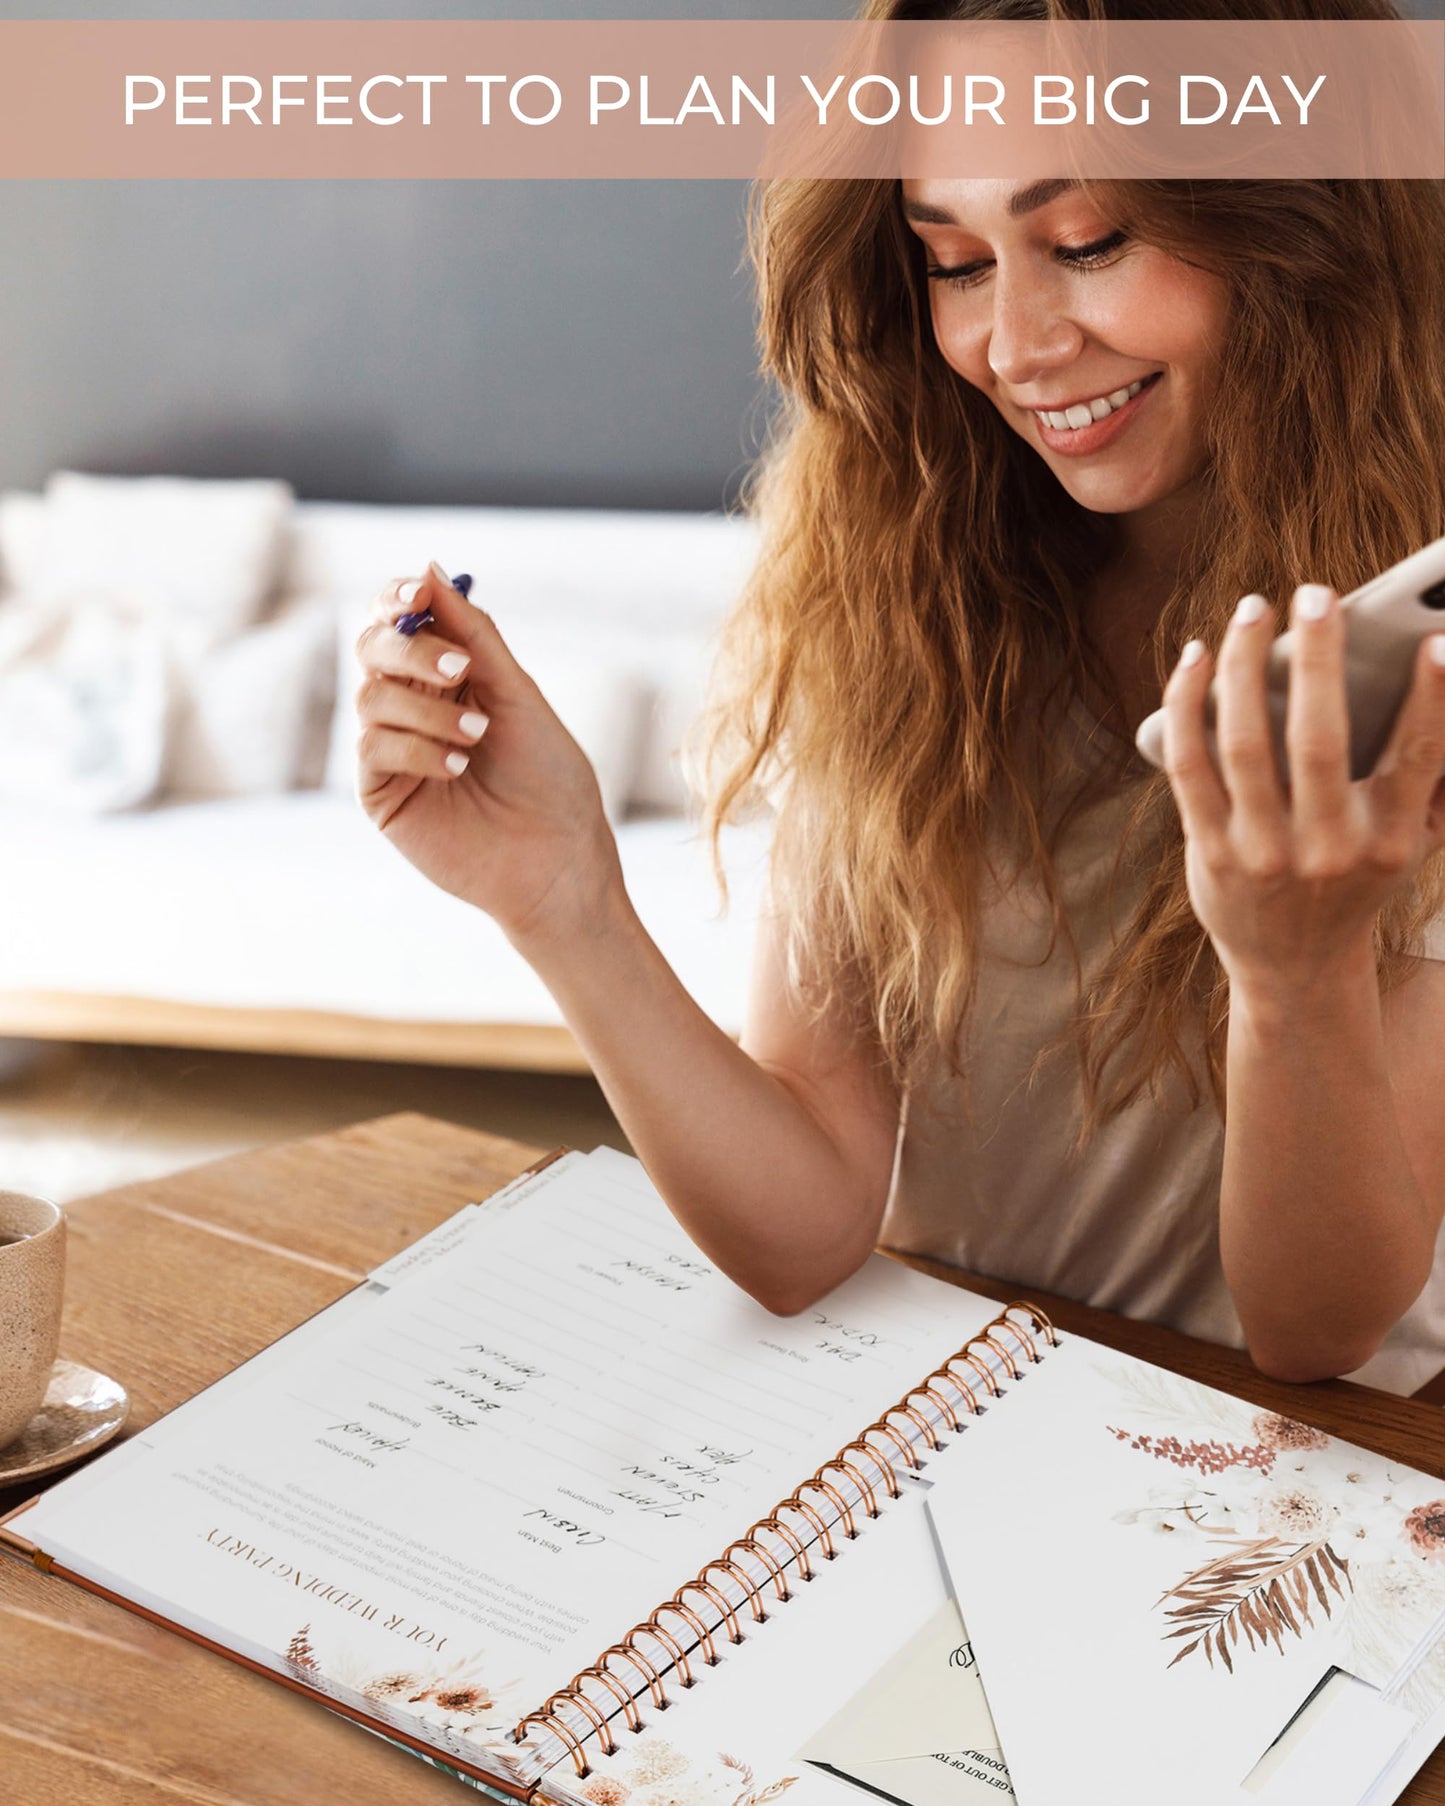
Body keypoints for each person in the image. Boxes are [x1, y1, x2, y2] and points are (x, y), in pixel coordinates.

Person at [352, 0, 1445, 1395]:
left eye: (1088, 241)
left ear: (1305, 222)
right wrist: (565, 905)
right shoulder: (906, 596)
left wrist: (1295, 978)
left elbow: (1314, 1332)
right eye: (954, 262)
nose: (1015, 346)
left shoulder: (1408, 657)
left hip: (1286, 1486)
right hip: (950, 1438)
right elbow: (804, 1231)